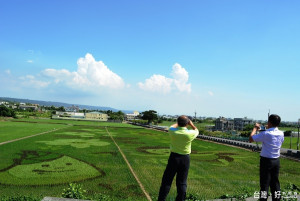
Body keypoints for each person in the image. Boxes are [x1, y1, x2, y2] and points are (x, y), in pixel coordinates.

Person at [158, 115, 199, 201]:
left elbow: (171, 126)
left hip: (174, 157)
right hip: (185, 159)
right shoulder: (190, 134)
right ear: (187, 123)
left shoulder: (173, 131)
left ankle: (161, 199)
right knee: (182, 182)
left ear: (178, 123)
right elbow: (196, 130)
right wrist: (191, 124)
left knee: (167, 181)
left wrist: (178, 123)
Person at [249, 114, 284, 201]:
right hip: (276, 161)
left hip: (266, 161)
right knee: (275, 183)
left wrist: (255, 128)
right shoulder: (281, 133)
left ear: (269, 122)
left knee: (265, 183)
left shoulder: (266, 133)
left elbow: (251, 139)